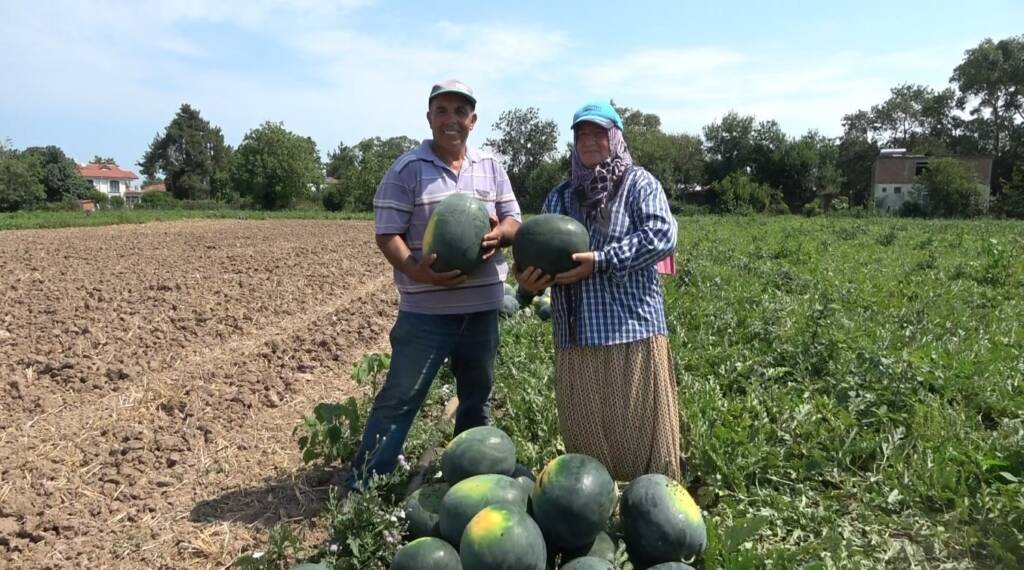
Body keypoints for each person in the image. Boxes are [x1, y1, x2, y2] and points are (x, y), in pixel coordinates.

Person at [346, 79, 522, 490]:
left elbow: (515, 219)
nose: (451, 120)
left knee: (477, 396)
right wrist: (416, 270)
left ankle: (469, 474)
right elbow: (386, 233)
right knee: (400, 397)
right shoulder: (407, 169)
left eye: (460, 112)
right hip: (426, 312)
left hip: (481, 310)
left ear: (472, 120)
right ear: (429, 117)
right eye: (442, 111)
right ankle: (366, 482)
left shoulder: (491, 167)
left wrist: (504, 234)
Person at [516, 100, 681, 481]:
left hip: (632, 332)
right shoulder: (560, 196)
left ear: (615, 137)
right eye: (581, 134)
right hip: (576, 335)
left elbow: (662, 236)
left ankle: (649, 507)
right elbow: (536, 246)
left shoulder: (639, 183)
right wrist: (526, 280)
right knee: (588, 439)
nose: (589, 141)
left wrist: (601, 260)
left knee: (640, 435)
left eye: (598, 132)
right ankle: (596, 510)